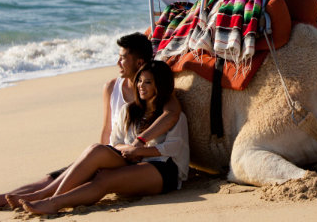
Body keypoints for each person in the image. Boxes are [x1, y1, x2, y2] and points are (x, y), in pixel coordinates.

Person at [0, 32, 182, 208]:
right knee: (62, 173)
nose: (118, 62)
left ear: (140, 62)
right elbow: (108, 130)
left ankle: (47, 200)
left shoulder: (159, 93)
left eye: (123, 57)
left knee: (92, 170)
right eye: (141, 82)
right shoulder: (116, 91)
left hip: (139, 158)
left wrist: (137, 146)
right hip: (117, 152)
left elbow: (172, 120)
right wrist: (106, 154)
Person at [14, 60, 188, 214]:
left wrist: (140, 150)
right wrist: (131, 150)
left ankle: (53, 202)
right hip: (133, 159)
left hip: (164, 168)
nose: (141, 86)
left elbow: (174, 147)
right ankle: (50, 195)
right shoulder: (129, 110)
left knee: (105, 178)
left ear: (161, 85)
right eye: (140, 81)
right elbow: (115, 142)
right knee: (96, 149)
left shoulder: (174, 115)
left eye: (148, 82)